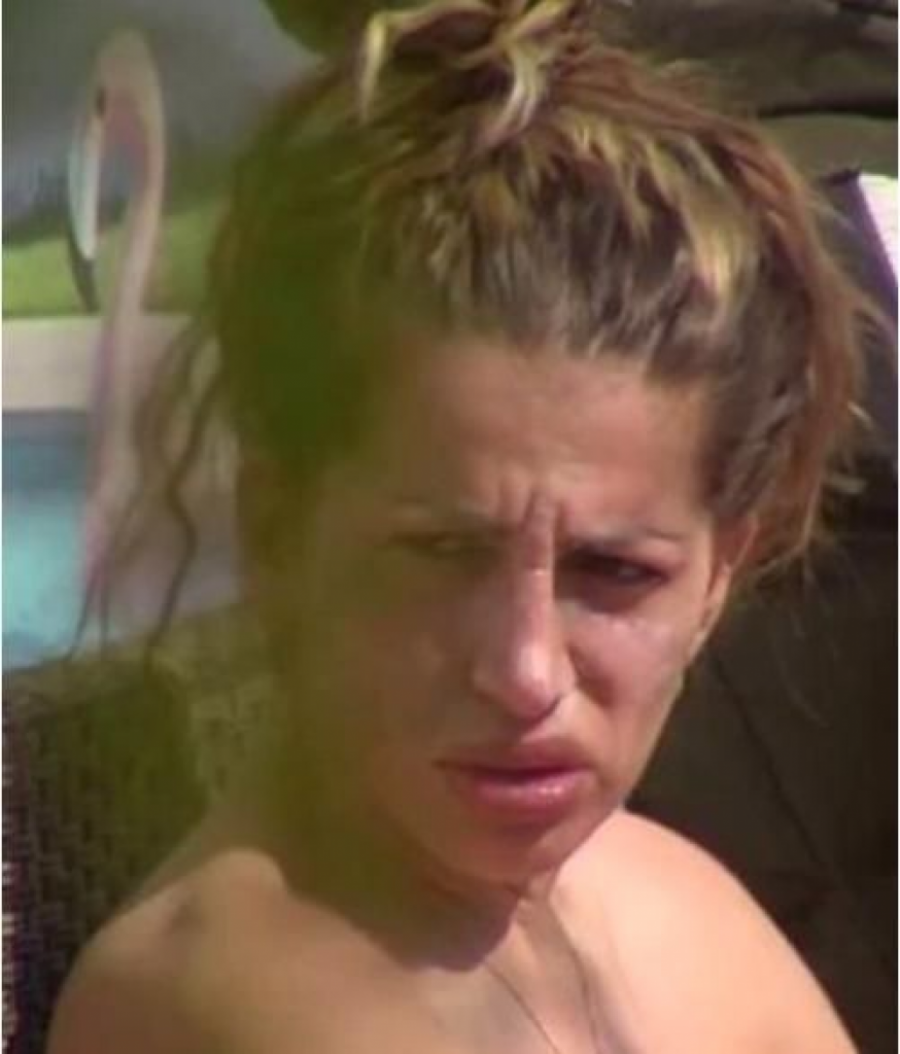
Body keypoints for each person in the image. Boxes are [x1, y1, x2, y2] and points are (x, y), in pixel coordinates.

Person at [48, 1, 871, 1051]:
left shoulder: (671, 904)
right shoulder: (230, 1003)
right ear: (278, 532)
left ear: (720, 576)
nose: (526, 672)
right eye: (442, 554)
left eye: (616, 571)